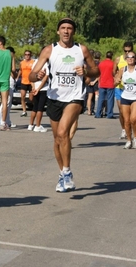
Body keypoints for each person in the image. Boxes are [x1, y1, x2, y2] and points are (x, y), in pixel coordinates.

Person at [29, 18, 100, 193]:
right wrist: (36, 77)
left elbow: (96, 71)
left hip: (75, 97)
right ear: (58, 31)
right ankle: (62, 173)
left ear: (73, 32)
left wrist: (86, 71)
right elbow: (31, 75)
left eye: (69, 28)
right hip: (54, 98)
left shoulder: (81, 49)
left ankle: (67, 172)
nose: (66, 31)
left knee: (63, 133)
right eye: (63, 28)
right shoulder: (49, 50)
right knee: (57, 139)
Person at [114, 50, 136, 149]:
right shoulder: (123, 69)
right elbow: (115, 83)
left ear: (135, 59)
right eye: (128, 57)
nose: (130, 58)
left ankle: (135, 138)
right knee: (126, 121)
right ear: (126, 59)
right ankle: (128, 140)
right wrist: (117, 81)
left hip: (135, 98)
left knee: (133, 119)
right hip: (125, 97)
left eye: (132, 57)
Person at [28, 48, 49, 133]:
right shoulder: (46, 63)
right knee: (40, 108)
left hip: (35, 87)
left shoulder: (35, 62)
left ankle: (31, 125)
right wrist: (39, 88)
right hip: (42, 88)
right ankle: (38, 126)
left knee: (35, 107)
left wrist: (33, 87)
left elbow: (31, 76)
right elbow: (45, 78)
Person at [95, 51, 115, 118]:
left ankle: (98, 114)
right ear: (111, 56)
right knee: (110, 100)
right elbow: (114, 73)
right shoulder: (113, 64)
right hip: (110, 83)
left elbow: (98, 72)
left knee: (101, 99)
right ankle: (109, 114)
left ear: (106, 56)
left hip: (102, 83)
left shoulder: (101, 63)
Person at [17, 50, 35, 117]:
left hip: (31, 82)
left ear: (31, 55)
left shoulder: (33, 62)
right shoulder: (22, 62)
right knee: (22, 97)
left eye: (28, 54)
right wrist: (17, 77)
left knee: (31, 98)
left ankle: (34, 109)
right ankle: (24, 111)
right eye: (26, 54)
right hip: (23, 82)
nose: (27, 56)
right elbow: (20, 70)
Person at [85, 51, 100, 115]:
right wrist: (94, 81)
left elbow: (85, 73)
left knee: (89, 97)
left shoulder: (87, 64)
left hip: (89, 81)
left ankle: (89, 110)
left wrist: (88, 81)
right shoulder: (97, 63)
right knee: (95, 96)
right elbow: (99, 74)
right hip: (94, 81)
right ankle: (93, 109)